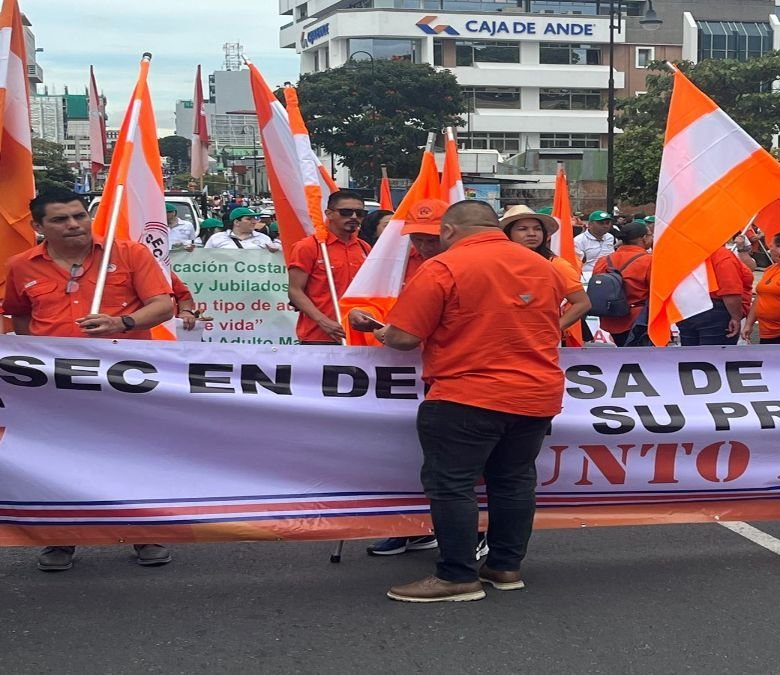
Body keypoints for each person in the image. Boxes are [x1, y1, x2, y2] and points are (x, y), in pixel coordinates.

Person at [362, 200, 569, 603]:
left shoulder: (443, 267)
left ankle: (456, 575)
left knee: (452, 484)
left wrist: (380, 333)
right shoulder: (544, 267)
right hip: (536, 393)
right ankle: (505, 566)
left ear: (450, 231)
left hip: (466, 393)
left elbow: (405, 338)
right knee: (514, 481)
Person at [3, 187, 175, 572]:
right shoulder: (21, 265)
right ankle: (61, 535)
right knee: (56, 459)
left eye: (79, 215)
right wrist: (38, 361)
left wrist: (122, 323)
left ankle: (144, 532)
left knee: (130, 454)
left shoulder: (129, 253)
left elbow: (164, 305)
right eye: (60, 219)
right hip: (56, 384)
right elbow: (19, 316)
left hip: (124, 378)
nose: (74, 225)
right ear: (38, 226)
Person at [287, 191, 372, 345]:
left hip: (356, 336)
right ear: (329, 214)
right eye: (346, 212)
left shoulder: (364, 248)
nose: (353, 217)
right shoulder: (309, 246)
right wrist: (323, 321)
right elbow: (295, 291)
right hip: (319, 336)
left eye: (359, 213)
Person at [500, 205, 591, 341]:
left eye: (537, 229)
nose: (532, 233)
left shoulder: (556, 265)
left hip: (541, 344)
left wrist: (553, 329)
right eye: (522, 229)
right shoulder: (496, 263)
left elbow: (582, 303)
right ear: (508, 233)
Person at [591, 220, 653, 347]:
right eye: (650, 234)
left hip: (611, 320)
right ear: (643, 238)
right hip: (639, 321)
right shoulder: (649, 261)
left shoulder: (604, 260)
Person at [677, 246, 750, 346]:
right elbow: (730, 290)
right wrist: (736, 317)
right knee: (715, 356)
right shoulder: (721, 255)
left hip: (686, 309)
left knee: (690, 355)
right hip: (714, 313)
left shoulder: (685, 253)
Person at [205, 207, 280, 251]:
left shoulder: (264, 239)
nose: (254, 222)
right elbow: (204, 259)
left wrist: (276, 252)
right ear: (237, 222)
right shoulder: (216, 238)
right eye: (249, 219)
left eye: (255, 219)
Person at [574, 210, 615, 279]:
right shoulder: (578, 241)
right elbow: (576, 264)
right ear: (590, 225)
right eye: (601, 223)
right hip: (588, 276)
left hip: (609, 275)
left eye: (607, 223)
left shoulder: (609, 237)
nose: (605, 226)